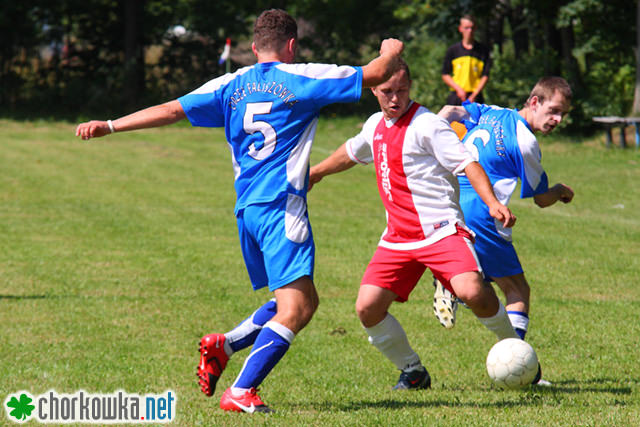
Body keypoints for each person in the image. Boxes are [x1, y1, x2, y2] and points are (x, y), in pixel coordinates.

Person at [75, 9, 404, 413]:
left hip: (247, 210)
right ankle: (241, 391)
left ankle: (224, 345)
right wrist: (392, 49)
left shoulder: (230, 84)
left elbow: (172, 110)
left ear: (253, 48)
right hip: (281, 206)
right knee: (296, 309)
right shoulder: (303, 77)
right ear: (291, 46)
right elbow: (375, 73)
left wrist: (109, 125)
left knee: (302, 300)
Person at [307, 60, 520, 390]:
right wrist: (316, 173)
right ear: (373, 90)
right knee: (367, 308)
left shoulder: (428, 126)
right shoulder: (375, 125)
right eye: (387, 92)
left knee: (472, 291)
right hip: (397, 238)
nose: (395, 99)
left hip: (441, 231)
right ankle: (413, 372)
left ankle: (517, 352)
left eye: (401, 91)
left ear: (410, 88)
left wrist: (493, 203)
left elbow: (468, 163)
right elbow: (351, 152)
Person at [437, 76, 574, 385]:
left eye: (563, 114)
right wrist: (561, 190)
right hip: (484, 213)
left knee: (487, 278)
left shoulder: (494, 110)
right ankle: (520, 368)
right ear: (535, 101)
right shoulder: (526, 143)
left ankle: (456, 281)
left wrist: (432, 133)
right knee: (517, 290)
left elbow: (450, 110)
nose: (557, 119)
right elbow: (540, 199)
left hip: (450, 202)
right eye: (553, 110)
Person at [441, 14, 492, 106]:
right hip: (457, 96)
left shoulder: (483, 51)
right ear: (460, 29)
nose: (470, 31)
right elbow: (445, 74)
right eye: (466, 28)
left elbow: (485, 75)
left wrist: (474, 94)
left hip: (476, 97)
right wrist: (458, 89)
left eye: (472, 28)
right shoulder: (453, 50)